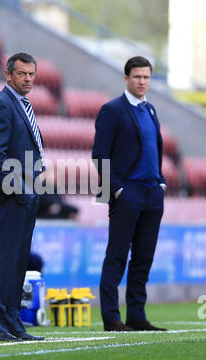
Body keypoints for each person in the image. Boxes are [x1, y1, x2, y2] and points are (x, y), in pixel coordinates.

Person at [92, 56, 167, 332]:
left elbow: (154, 151)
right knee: (117, 256)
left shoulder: (150, 110)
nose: (142, 82)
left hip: (152, 193)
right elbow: (100, 155)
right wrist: (118, 190)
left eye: (146, 77)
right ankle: (112, 318)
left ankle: (136, 316)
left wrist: (160, 181)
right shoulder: (112, 110)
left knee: (143, 258)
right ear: (126, 78)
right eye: (137, 77)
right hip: (128, 193)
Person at [0, 52, 45, 341]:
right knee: (3, 261)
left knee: (19, 261)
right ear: (8, 75)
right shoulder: (2, 103)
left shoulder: (21, 103)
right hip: (12, 196)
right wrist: (16, 189)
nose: (28, 79)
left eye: (31, 74)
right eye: (22, 74)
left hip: (28, 194)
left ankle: (13, 323)